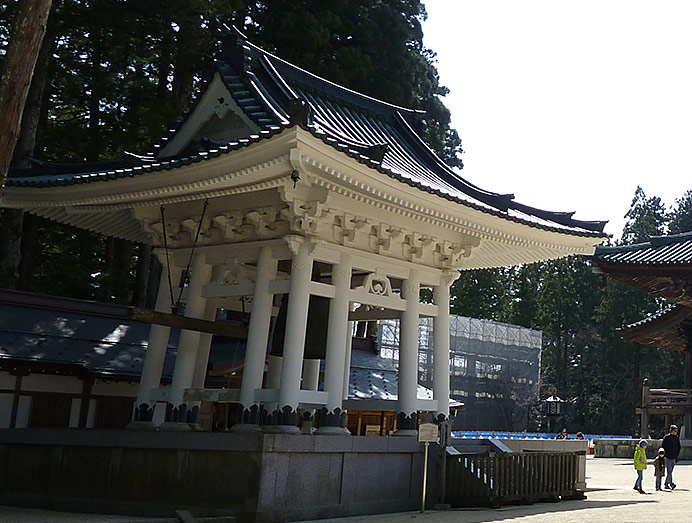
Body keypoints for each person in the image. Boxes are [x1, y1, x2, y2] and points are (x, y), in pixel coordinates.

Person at [662, 424, 681, 490]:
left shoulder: (676, 438)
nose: (676, 432)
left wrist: (677, 456)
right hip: (668, 457)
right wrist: (663, 455)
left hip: (674, 457)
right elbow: (663, 447)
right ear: (671, 431)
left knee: (670, 471)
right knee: (669, 471)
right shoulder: (667, 437)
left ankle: (666, 483)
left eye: (676, 431)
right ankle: (671, 483)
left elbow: (678, 447)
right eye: (674, 431)